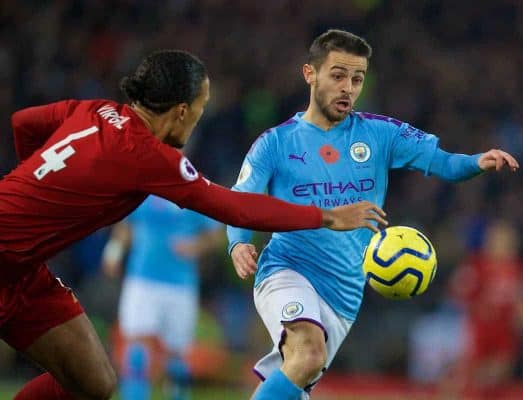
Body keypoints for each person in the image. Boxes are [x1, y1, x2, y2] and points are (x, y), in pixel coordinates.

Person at [0, 49, 387, 400]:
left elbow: (24, 123)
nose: (200, 119)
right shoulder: (146, 156)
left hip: (23, 273)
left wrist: (33, 185)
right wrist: (326, 215)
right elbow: (236, 208)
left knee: (93, 382)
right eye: (201, 108)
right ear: (183, 111)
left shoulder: (92, 111)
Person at [227, 29, 520, 400]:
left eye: (357, 78)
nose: (348, 87)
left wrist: (477, 162)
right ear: (310, 74)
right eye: (337, 76)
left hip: (344, 294)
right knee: (308, 353)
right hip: (288, 269)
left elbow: (440, 162)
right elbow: (242, 200)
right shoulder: (275, 142)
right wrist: (238, 244)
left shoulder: (380, 134)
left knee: (298, 377)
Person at [102, 194, 224, 400]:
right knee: (137, 348)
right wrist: (113, 251)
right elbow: (127, 223)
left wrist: (196, 246)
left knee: (177, 354)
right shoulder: (146, 190)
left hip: (180, 285)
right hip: (142, 280)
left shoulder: (193, 191)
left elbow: (217, 234)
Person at [444, 219, 523, 399]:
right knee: (468, 375)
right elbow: (457, 293)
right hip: (480, 329)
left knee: (498, 374)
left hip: (505, 331)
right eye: (499, 240)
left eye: (508, 241)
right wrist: (478, 306)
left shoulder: (518, 268)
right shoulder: (477, 265)